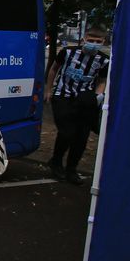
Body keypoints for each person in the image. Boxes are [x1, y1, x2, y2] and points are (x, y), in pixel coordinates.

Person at [45, 26, 109, 185]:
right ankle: (56, 161)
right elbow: (54, 69)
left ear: (103, 42)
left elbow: (101, 80)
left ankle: (71, 169)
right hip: (62, 96)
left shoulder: (103, 60)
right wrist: (48, 89)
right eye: (91, 40)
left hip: (85, 100)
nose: (93, 44)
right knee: (67, 131)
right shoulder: (67, 52)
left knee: (81, 137)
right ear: (84, 40)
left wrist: (98, 97)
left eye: (98, 41)